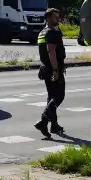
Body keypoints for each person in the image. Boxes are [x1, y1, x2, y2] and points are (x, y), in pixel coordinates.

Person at [34, 8, 67, 138]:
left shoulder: (42, 32)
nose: (58, 19)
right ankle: (43, 120)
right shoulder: (51, 32)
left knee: (51, 97)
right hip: (53, 68)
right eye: (55, 17)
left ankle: (54, 125)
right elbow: (51, 52)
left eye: (58, 16)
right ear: (48, 18)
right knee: (59, 97)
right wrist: (56, 70)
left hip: (45, 68)